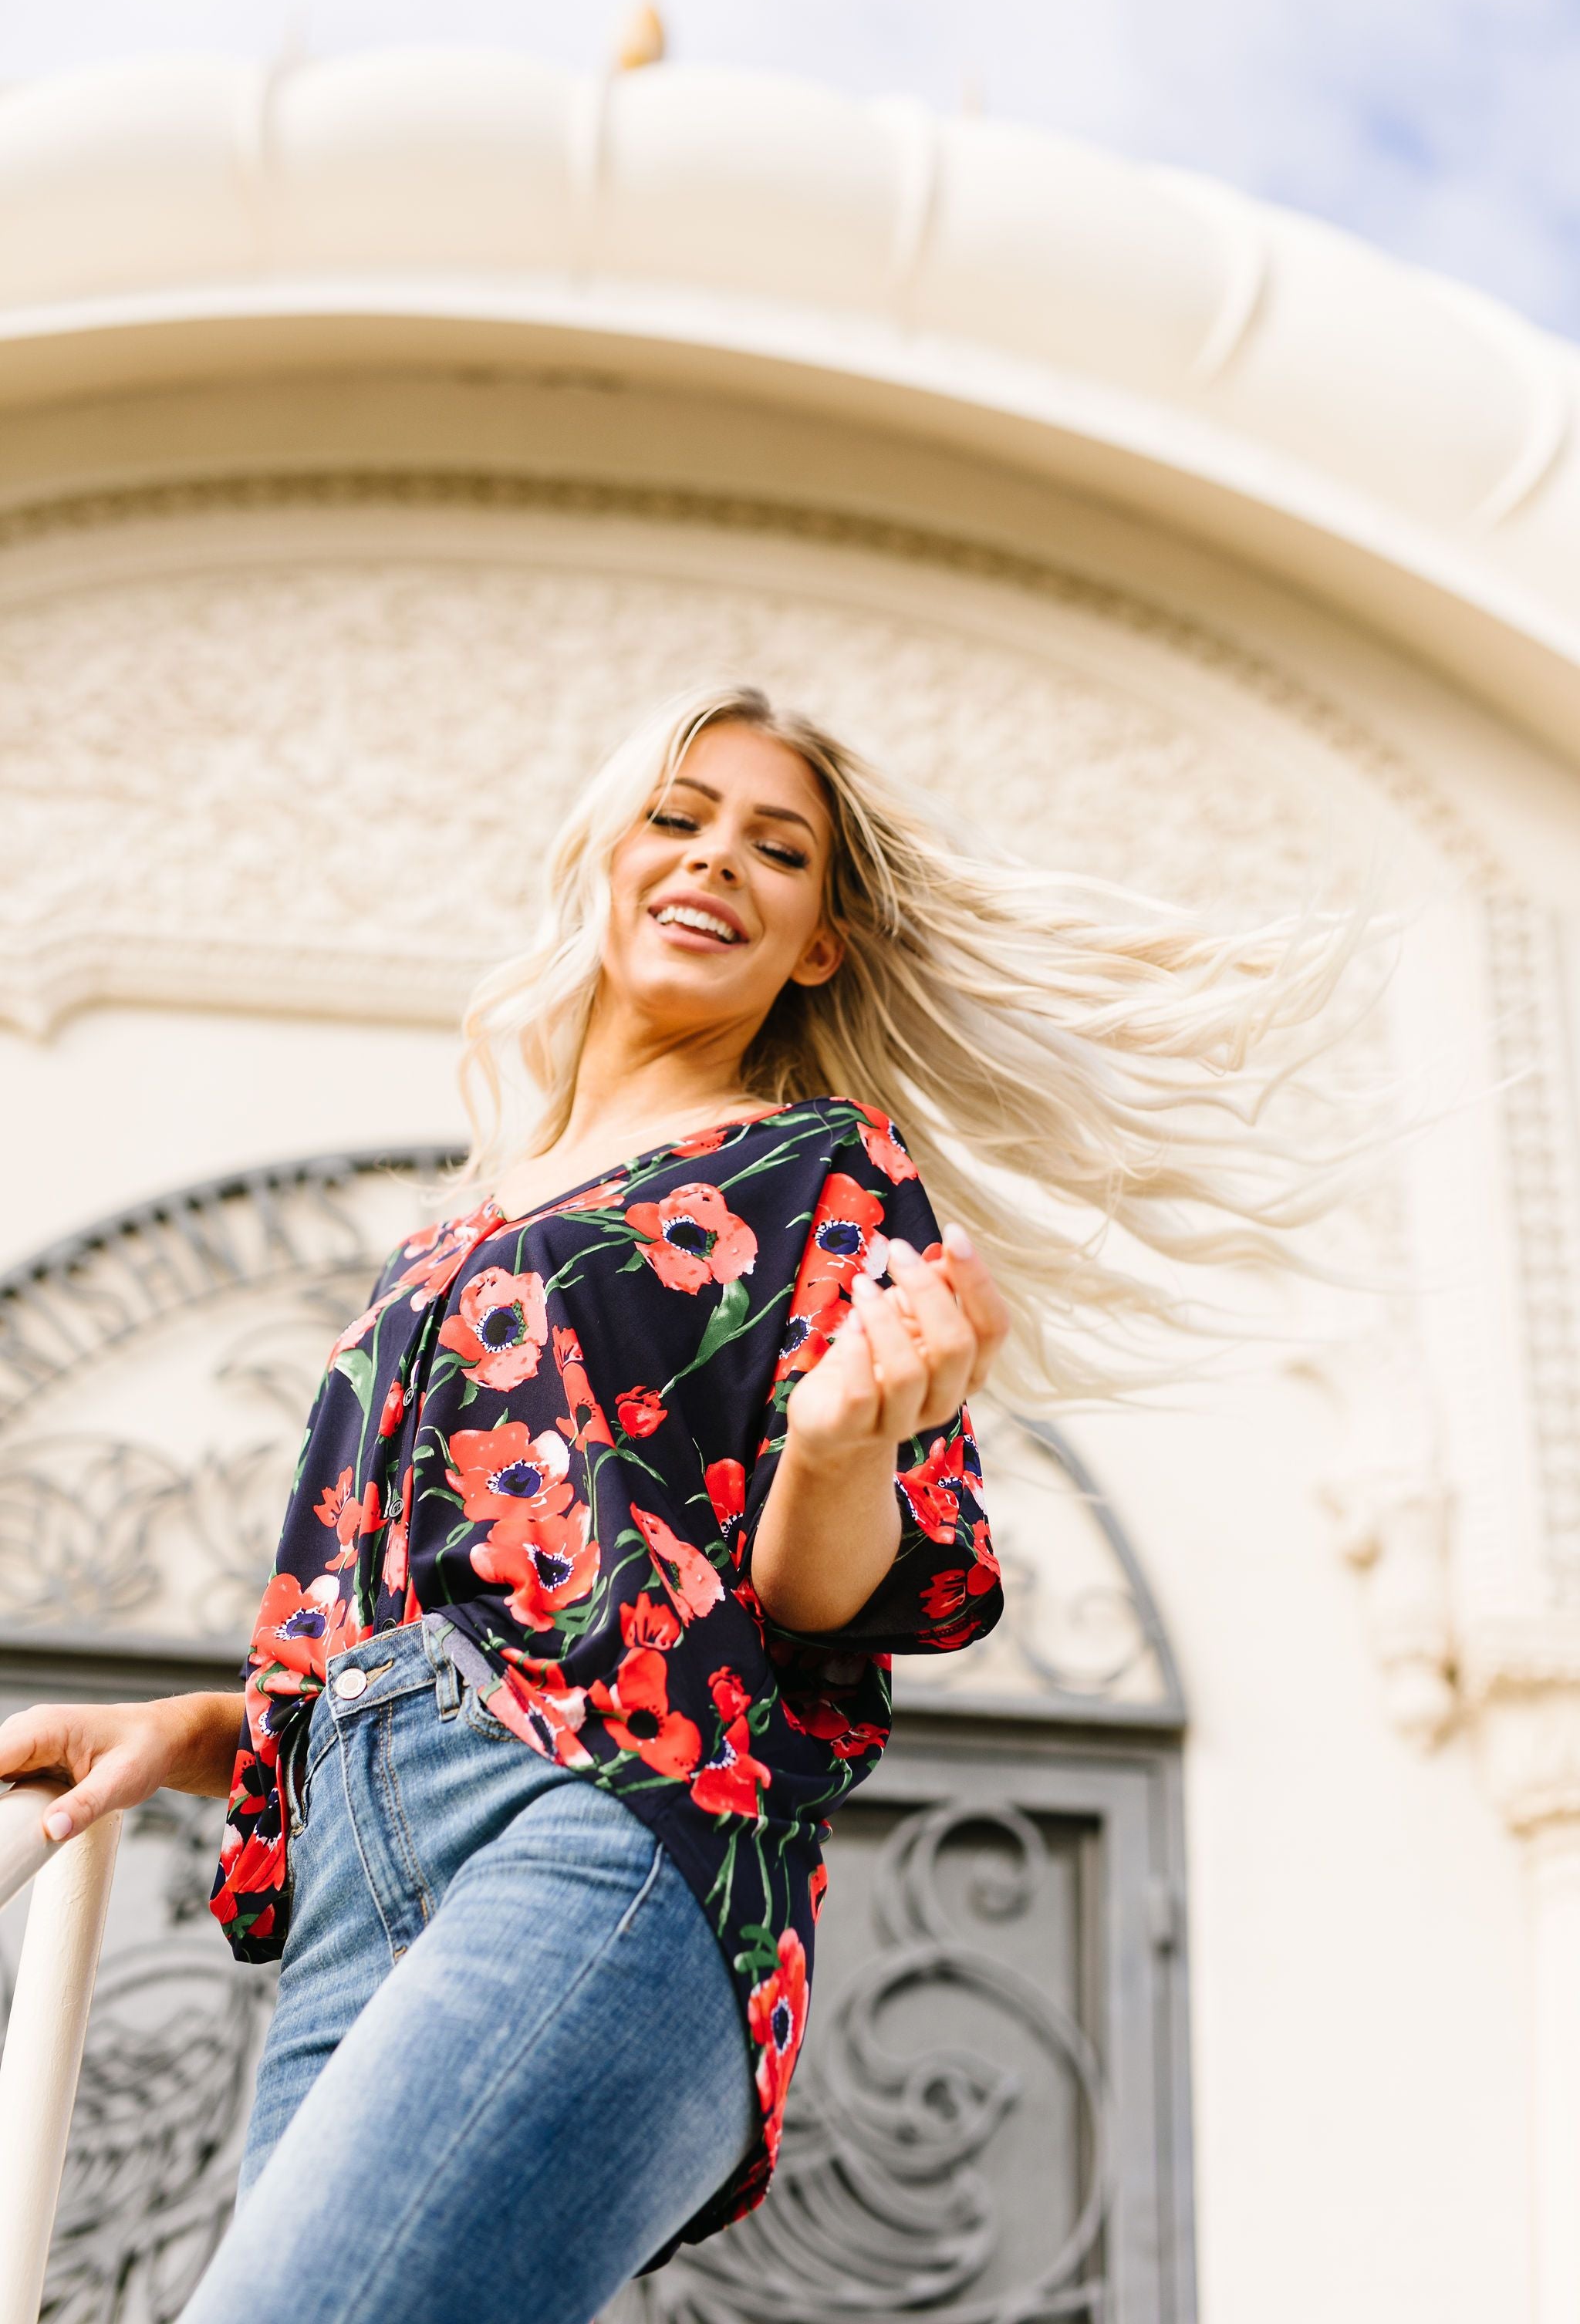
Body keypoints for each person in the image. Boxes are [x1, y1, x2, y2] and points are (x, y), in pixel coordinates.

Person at [0, 683, 1367, 2324]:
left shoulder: (817, 1172)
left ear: (816, 942)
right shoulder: (445, 1231)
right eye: (679, 816)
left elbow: (813, 1605)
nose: (716, 857)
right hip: (355, 1898)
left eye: (774, 848)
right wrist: (210, 1733)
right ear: (605, 858)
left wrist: (843, 1445)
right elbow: (458, 1620)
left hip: (606, 1848)